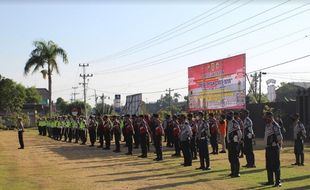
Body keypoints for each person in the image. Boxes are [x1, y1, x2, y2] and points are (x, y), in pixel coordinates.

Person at [263, 112, 283, 187]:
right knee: (269, 165)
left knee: (275, 165)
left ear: (270, 117)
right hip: (268, 148)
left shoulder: (275, 125)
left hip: (274, 148)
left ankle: (278, 181)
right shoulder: (267, 125)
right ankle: (270, 181)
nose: (265, 118)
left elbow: (279, 137)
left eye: (267, 117)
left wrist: (279, 146)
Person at [227, 112, 242, 178]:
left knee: (235, 157)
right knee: (230, 157)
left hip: (234, 142)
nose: (228, 116)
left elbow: (239, 133)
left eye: (229, 115)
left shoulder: (234, 123)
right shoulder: (229, 122)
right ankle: (233, 171)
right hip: (230, 142)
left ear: (232, 115)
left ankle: (237, 172)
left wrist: (238, 140)